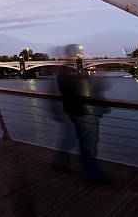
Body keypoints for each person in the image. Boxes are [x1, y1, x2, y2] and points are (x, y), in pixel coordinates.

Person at [51, 44, 110, 183]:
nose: (80, 55)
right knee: (89, 142)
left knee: (84, 141)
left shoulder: (66, 71)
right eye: (78, 53)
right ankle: (91, 172)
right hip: (82, 111)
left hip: (75, 111)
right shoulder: (67, 72)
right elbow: (74, 89)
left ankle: (85, 167)